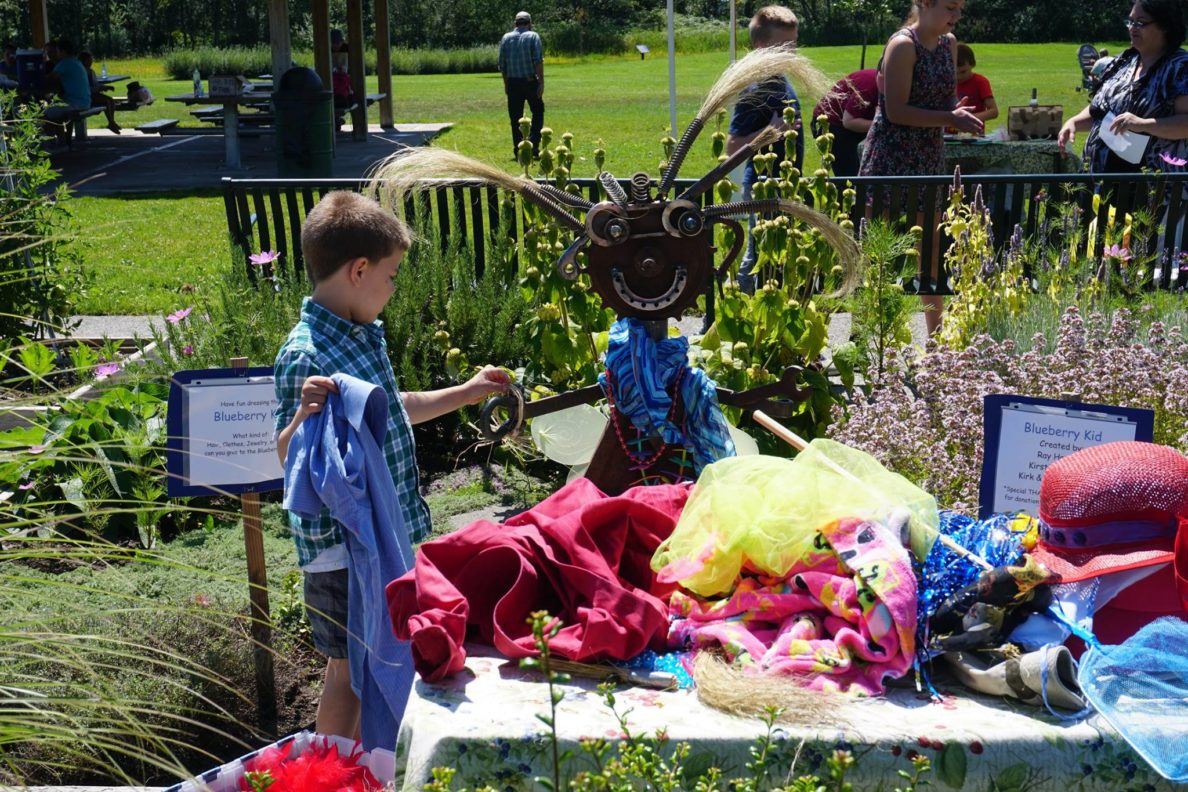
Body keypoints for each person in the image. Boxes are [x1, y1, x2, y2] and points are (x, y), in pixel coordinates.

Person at [273, 191, 510, 739]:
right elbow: (288, 457)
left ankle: (372, 764)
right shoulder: (307, 354)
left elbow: (394, 410)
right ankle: (333, 774)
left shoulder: (360, 334)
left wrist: (467, 392)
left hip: (383, 539)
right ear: (359, 270)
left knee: (378, 662)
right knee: (346, 673)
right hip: (341, 551)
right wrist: (303, 416)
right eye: (392, 274)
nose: (394, 287)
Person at [859, 0, 982, 335]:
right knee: (879, 250)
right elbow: (896, 111)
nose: (957, 16)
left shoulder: (949, 44)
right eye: (951, 7)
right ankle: (866, 334)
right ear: (925, 4)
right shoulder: (902, 45)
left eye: (960, 9)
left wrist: (958, 110)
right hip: (891, 156)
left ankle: (936, 338)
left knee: (929, 248)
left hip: (928, 155)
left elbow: (946, 99)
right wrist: (948, 117)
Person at [1058, 0, 1188, 174]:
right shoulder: (1124, 61)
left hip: (1151, 187)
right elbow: (1101, 110)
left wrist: (1143, 124)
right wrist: (1073, 122)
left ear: (1165, 26)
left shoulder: (1180, 67)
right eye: (1130, 21)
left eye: (1140, 22)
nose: (1132, 28)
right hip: (1101, 182)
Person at [727, 5, 804, 294]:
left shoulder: (778, 80)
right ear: (761, 45)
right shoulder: (757, 88)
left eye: (794, 44)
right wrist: (771, 133)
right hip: (763, 186)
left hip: (781, 185)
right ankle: (738, 308)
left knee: (770, 253)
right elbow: (733, 147)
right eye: (784, 45)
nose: (792, 53)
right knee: (759, 255)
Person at [812, 68, 879, 177]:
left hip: (858, 119)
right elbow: (849, 122)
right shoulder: (869, 85)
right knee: (850, 176)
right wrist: (882, 124)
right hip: (831, 122)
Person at [498, 10, 544, 159]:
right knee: (537, 112)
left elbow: (503, 65)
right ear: (529, 23)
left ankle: (519, 149)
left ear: (515, 23)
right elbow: (537, 61)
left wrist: (506, 85)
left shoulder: (506, 38)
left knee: (515, 118)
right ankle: (533, 145)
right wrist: (541, 82)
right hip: (530, 82)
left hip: (513, 83)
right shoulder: (533, 36)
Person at [40, 39, 92, 143]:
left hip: (75, 103)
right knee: (56, 111)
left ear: (62, 51)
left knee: (43, 114)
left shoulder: (64, 63)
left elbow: (49, 79)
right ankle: (63, 139)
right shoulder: (76, 61)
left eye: (57, 51)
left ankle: (55, 141)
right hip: (85, 101)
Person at [78, 51, 120, 133]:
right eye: (89, 60)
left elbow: (96, 84)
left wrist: (104, 87)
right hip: (87, 96)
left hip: (94, 94)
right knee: (107, 101)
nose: (91, 62)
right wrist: (99, 89)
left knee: (111, 100)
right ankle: (111, 122)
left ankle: (112, 122)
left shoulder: (91, 72)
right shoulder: (81, 73)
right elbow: (86, 88)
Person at [955, 43, 998, 123]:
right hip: (949, 132)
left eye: (963, 72)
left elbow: (993, 111)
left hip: (974, 132)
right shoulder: (947, 82)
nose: (958, 77)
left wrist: (970, 118)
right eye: (954, 72)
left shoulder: (980, 82)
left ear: (972, 64)